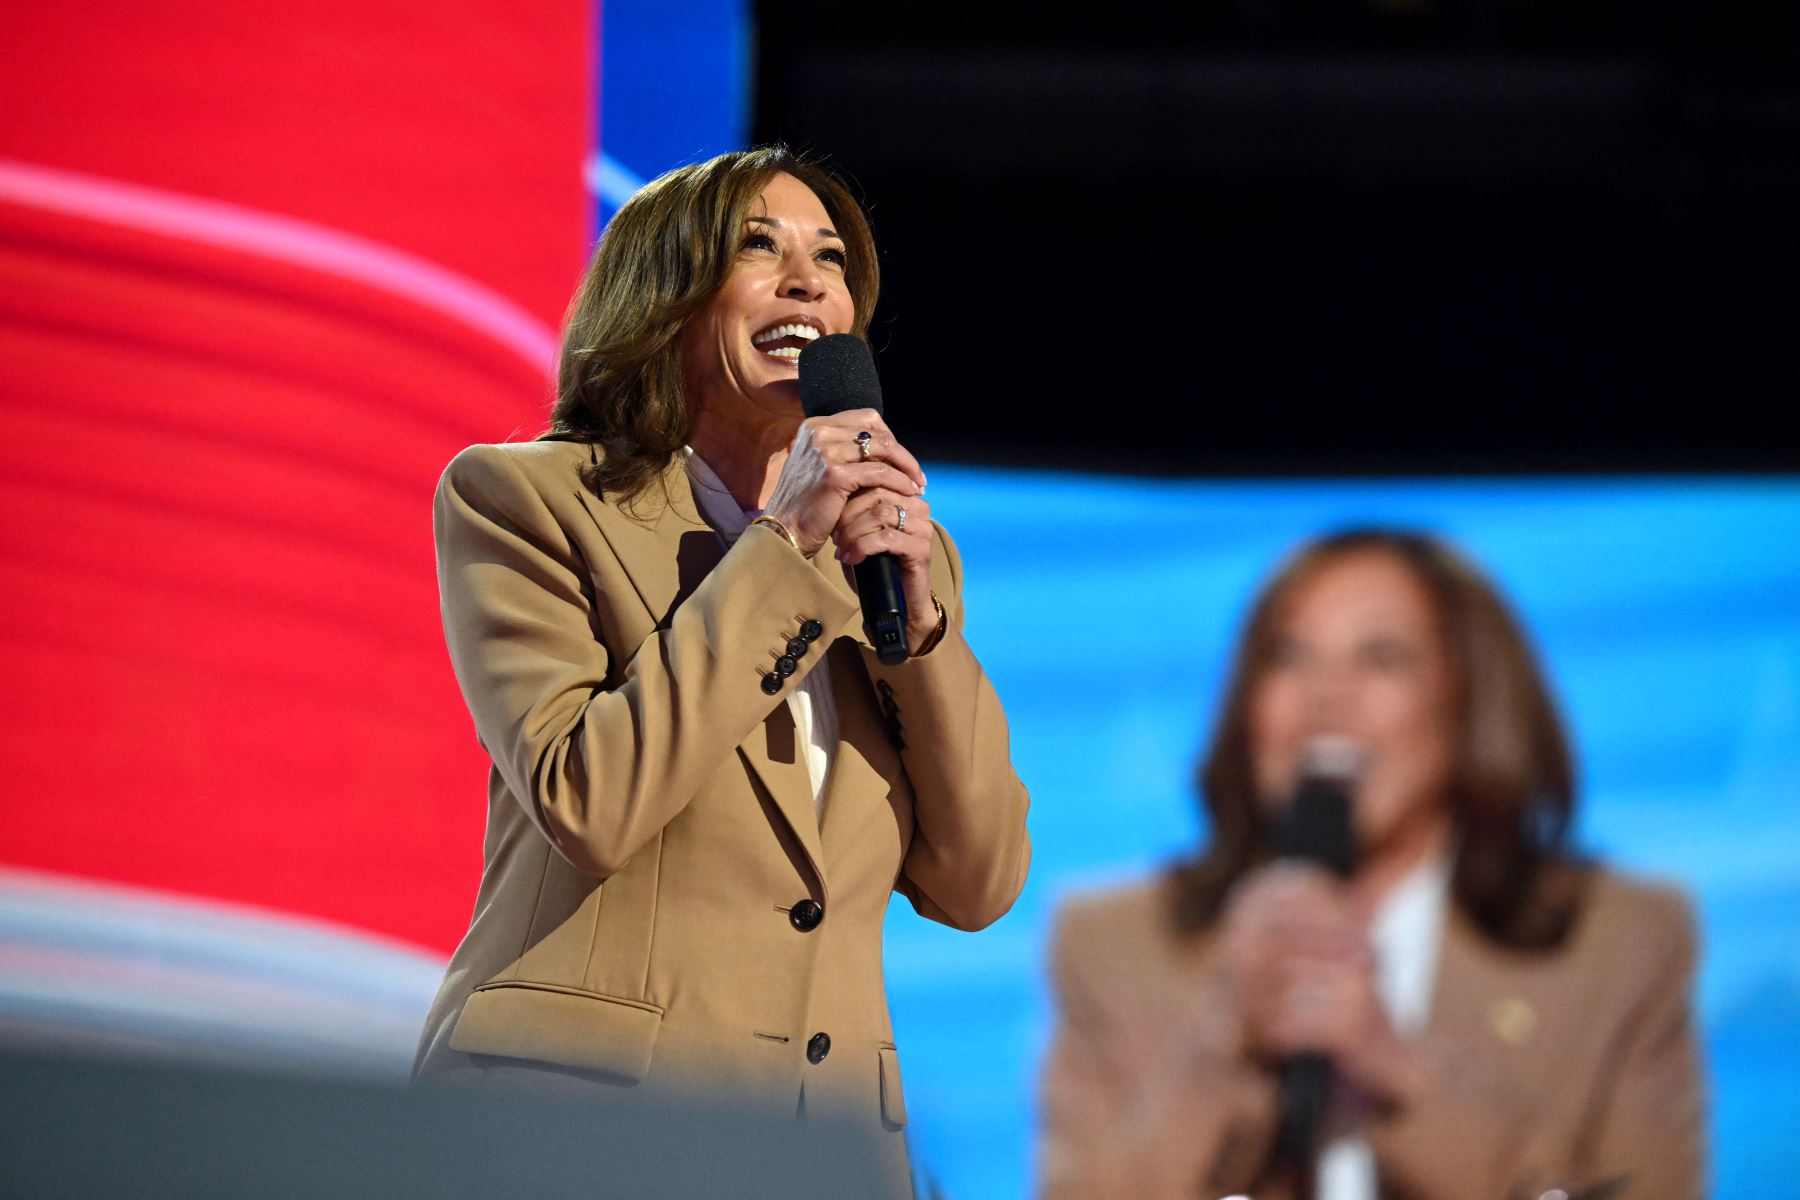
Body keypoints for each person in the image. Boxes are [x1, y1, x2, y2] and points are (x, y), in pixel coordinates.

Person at [412, 147, 1031, 1191]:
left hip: (823, 1152)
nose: (809, 281)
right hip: (573, 1134)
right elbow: (591, 802)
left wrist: (916, 629)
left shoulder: (900, 552)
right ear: (665, 301)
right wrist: (778, 553)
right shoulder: (528, 504)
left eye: (830, 261)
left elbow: (978, 883)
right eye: (761, 247)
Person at [1040, 530, 1704, 1200]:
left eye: (1381, 659)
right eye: (1288, 657)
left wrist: (1409, 1080)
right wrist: (1226, 1046)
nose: (1326, 696)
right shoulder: (1116, 944)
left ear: (1469, 698)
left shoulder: (1619, 944)